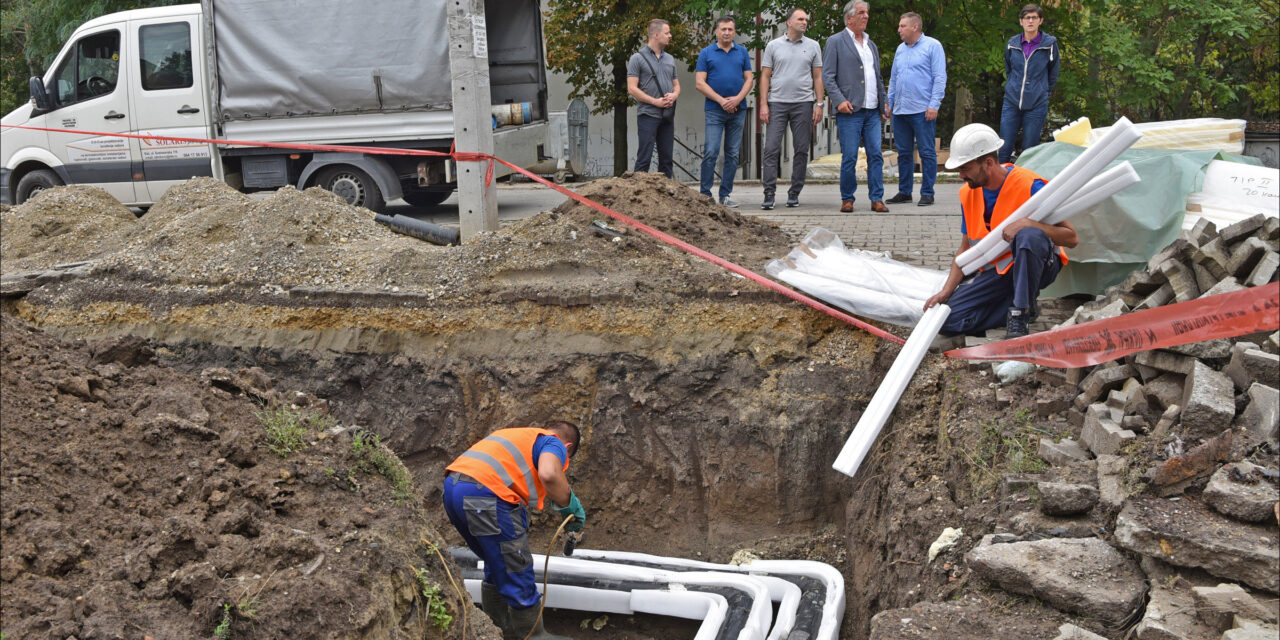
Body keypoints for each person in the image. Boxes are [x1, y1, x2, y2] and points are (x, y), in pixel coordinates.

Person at [924, 123, 1076, 338]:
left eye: (965, 168)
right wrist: (947, 291)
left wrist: (1030, 224)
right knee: (948, 320)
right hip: (999, 274)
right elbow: (965, 249)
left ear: (988, 163)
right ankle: (1018, 305)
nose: (961, 175)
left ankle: (1020, 313)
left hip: (1037, 266)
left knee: (1028, 236)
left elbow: (1071, 238)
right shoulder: (968, 194)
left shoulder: (1030, 185)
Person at [443, 421, 586, 640]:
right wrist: (571, 506)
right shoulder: (552, 442)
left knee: (496, 559)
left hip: (453, 489)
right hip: (485, 495)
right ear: (567, 448)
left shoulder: (513, 434)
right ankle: (534, 634)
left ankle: (498, 630)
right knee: (516, 563)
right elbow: (549, 474)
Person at [822, 1, 889, 213]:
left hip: (872, 110)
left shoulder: (871, 45)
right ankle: (847, 198)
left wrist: (883, 101)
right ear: (849, 18)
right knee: (850, 156)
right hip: (849, 110)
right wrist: (839, 100)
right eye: (861, 13)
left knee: (876, 155)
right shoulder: (835, 42)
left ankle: (877, 198)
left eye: (867, 13)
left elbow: (877, 77)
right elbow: (828, 77)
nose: (866, 16)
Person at [759, 8, 824, 210]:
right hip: (777, 103)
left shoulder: (813, 46)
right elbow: (765, 76)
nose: (805, 22)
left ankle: (794, 192)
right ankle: (769, 193)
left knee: (801, 149)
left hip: (803, 103)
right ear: (789, 22)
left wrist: (819, 104)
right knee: (771, 149)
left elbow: (817, 77)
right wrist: (763, 104)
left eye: (806, 19)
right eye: (800, 19)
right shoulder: (773, 45)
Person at [885, 12, 946, 207]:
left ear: (915, 27)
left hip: (922, 109)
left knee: (927, 152)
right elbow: (894, 78)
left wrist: (934, 104)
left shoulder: (933, 46)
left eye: (903, 26)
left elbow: (939, 77)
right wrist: (889, 102)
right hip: (901, 110)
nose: (899, 30)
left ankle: (927, 192)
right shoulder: (900, 49)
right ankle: (905, 191)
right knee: (903, 152)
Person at [695, 15, 754, 207]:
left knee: (733, 154)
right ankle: (705, 195)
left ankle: (725, 195)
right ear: (716, 31)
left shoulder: (742, 52)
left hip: (738, 109)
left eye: (730, 29)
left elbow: (749, 80)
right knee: (711, 151)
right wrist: (722, 101)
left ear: (734, 31)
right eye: (723, 29)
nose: (727, 32)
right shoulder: (706, 53)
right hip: (714, 109)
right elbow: (699, 83)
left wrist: (737, 99)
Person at [999, 4, 1059, 163]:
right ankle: (999, 186)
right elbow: (1009, 68)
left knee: (1029, 150)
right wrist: (1013, 86)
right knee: (1004, 147)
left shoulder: (1049, 44)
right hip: (1011, 102)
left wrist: (1044, 92)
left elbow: (1053, 73)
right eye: (1027, 18)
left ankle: (1025, 186)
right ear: (1021, 21)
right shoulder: (1012, 43)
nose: (1030, 21)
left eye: (1034, 18)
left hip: (1037, 104)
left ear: (1041, 21)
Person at [627, 20, 680, 178]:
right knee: (644, 158)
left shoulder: (670, 59)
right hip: (648, 114)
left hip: (667, 115)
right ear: (656, 35)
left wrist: (674, 95)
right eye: (667, 33)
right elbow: (632, 88)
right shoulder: (637, 58)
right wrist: (654, 101)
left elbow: (677, 85)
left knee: (667, 159)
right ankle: (637, 196)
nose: (670, 36)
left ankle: (666, 198)